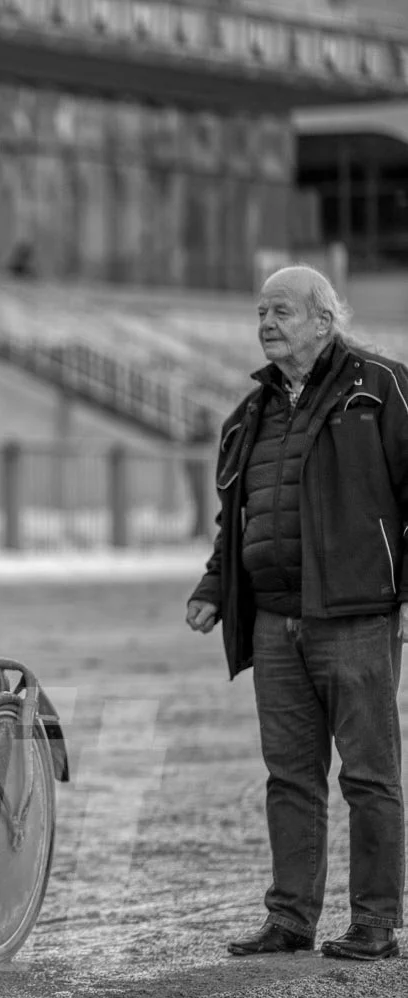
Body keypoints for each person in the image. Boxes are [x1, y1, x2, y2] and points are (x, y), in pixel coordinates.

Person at [186, 265, 408, 961]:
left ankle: (375, 922)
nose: (267, 322)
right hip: (275, 623)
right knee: (290, 777)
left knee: (369, 776)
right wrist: (211, 585)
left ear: (323, 317)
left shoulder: (382, 385)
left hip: (356, 615)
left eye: (281, 310)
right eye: (260, 312)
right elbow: (238, 517)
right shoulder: (250, 412)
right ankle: (291, 918)